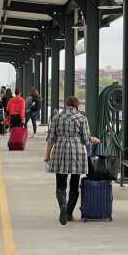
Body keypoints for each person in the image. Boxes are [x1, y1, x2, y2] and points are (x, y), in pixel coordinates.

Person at [44, 96, 97, 225]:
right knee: (74, 183)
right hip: (77, 152)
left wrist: (47, 156)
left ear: (66, 105)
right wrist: (93, 139)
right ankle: (68, 213)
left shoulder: (57, 117)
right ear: (76, 106)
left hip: (60, 150)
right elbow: (86, 139)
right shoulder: (81, 118)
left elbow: (51, 139)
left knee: (60, 184)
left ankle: (62, 205)